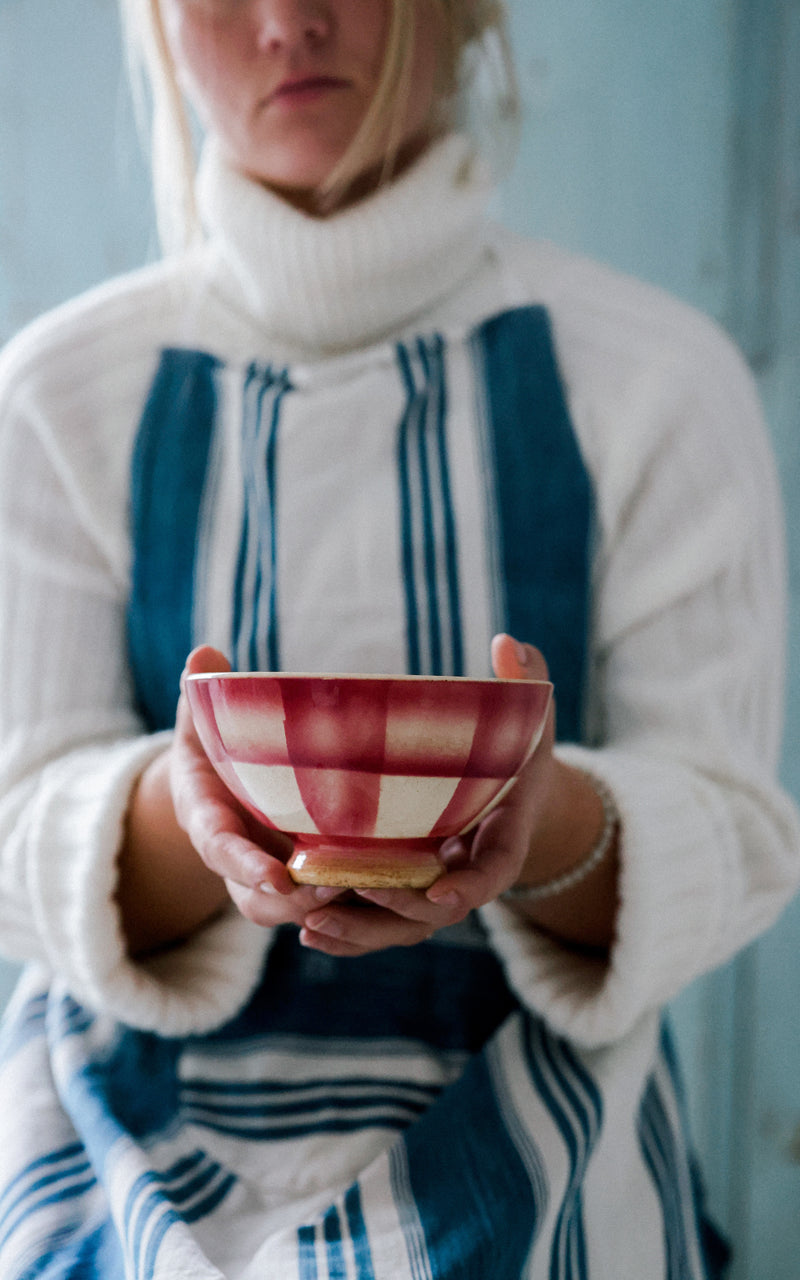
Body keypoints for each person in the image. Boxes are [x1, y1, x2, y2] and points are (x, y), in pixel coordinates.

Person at [0, 1, 797, 1276]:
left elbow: (735, 830)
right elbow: (13, 826)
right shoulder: (54, 393)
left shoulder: (657, 379)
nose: (286, 23)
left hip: (542, 1132)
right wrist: (198, 820)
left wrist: (534, 824)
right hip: (117, 1146)